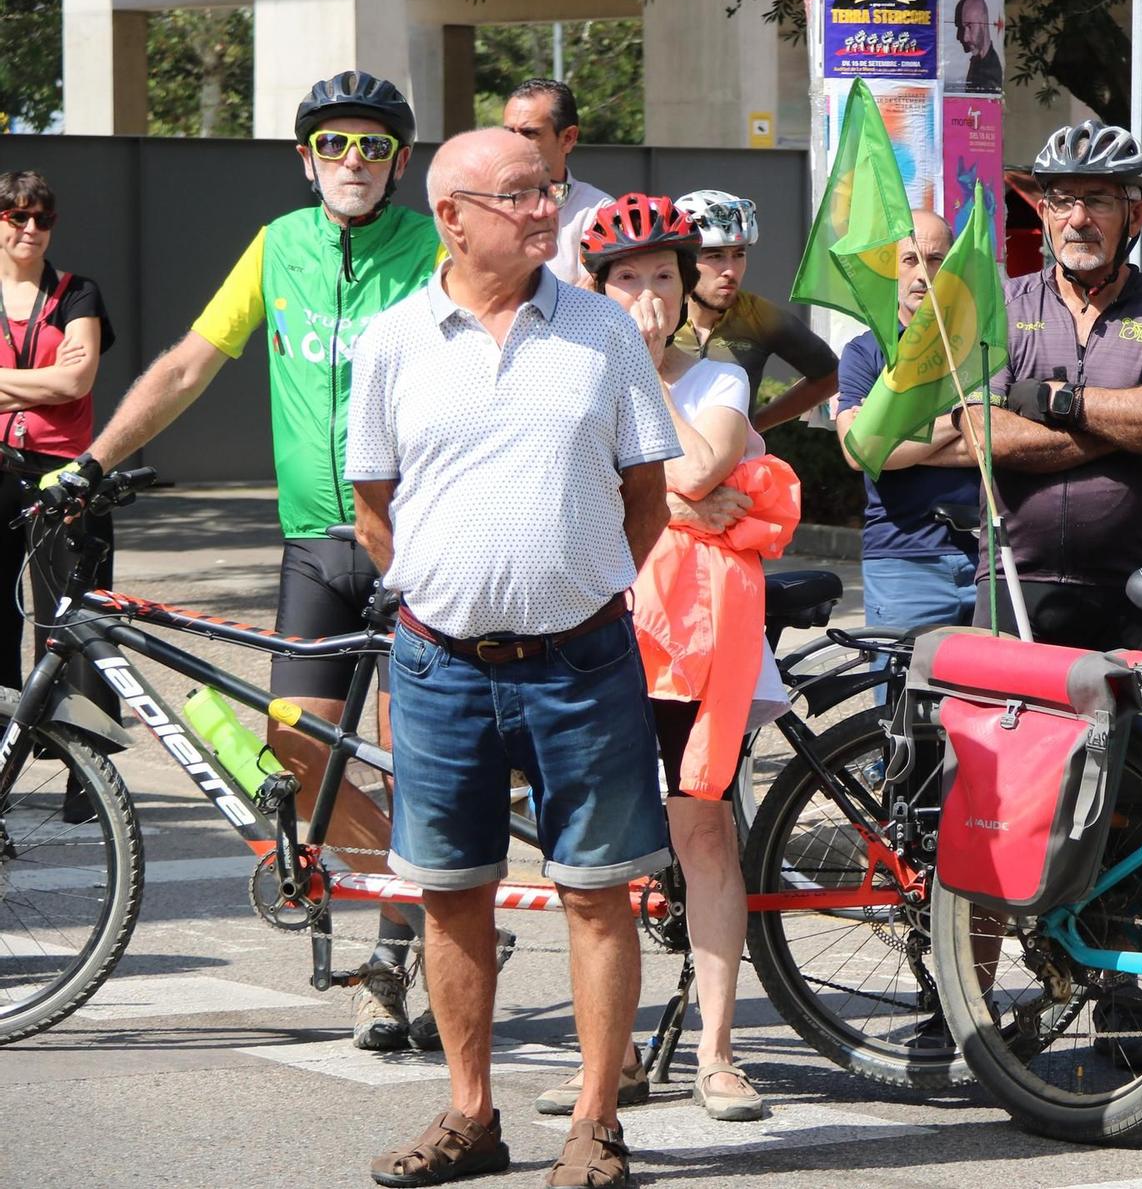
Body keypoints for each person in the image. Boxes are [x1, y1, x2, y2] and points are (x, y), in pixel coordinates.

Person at [75, 71, 440, 1051]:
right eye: (334, 145)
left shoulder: (434, 248)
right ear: (304, 158)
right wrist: (91, 460)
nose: (352, 162)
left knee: (420, 769)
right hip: (317, 543)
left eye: (371, 145)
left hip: (420, 541)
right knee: (295, 745)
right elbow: (192, 361)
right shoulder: (279, 247)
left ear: (399, 161)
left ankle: (395, 970)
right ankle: (443, 884)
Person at [347, 129, 678, 1189]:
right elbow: (371, 508)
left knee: (595, 891)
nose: (545, 210)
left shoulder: (601, 331)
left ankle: (594, 1123)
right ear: (452, 215)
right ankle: (470, 1114)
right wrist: (452, 596)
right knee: (450, 893)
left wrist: (572, 591)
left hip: (583, 663)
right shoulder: (394, 339)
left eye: (548, 192)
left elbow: (646, 497)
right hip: (439, 666)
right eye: (520, 195)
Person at [563, 191, 793, 1124]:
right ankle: (604, 1062)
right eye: (628, 281)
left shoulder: (715, 380)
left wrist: (643, 374)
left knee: (704, 835)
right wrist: (683, 509)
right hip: (600, 632)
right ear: (596, 289)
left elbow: (697, 469)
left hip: (698, 646)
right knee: (599, 853)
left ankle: (719, 1051)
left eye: (665, 276)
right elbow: (564, 489)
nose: (650, 296)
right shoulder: (563, 379)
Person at [955, 117, 1142, 652]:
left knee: (1136, 737)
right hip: (1013, 577)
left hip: (1134, 588)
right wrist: (1132, 420)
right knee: (1006, 731)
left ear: (1135, 215)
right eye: (1061, 200)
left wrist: (1056, 402)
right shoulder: (1001, 305)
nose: (1077, 219)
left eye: (1097, 200)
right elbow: (987, 438)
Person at [0, 171, 117, 719]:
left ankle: (87, 780)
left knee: (75, 619)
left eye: (42, 219)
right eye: (17, 216)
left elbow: (75, 382)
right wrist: (43, 379)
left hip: (63, 472)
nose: (31, 228)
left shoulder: (78, 292)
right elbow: (56, 379)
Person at [836, 210, 980, 631]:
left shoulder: (984, 347)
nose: (923, 274)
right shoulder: (865, 354)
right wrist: (962, 418)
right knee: (897, 696)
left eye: (936, 259)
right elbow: (860, 451)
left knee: (990, 694)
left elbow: (1004, 442)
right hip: (902, 560)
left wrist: (897, 444)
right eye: (910, 260)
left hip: (990, 557)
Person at [671, 189, 840, 432]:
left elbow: (830, 376)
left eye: (739, 254)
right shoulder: (655, 317)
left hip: (733, 466)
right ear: (683, 260)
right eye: (716, 255)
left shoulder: (759, 316)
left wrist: (753, 426)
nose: (730, 270)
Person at [501, 77, 612, 288]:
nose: (513, 144)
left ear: (568, 138)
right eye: (508, 132)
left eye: (529, 133)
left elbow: (591, 304)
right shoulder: (481, 202)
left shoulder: (599, 214)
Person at [953, 0, 1003, 93]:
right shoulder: (978, 61)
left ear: (983, 22)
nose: (965, 37)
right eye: (964, 28)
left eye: (970, 27)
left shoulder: (991, 70)